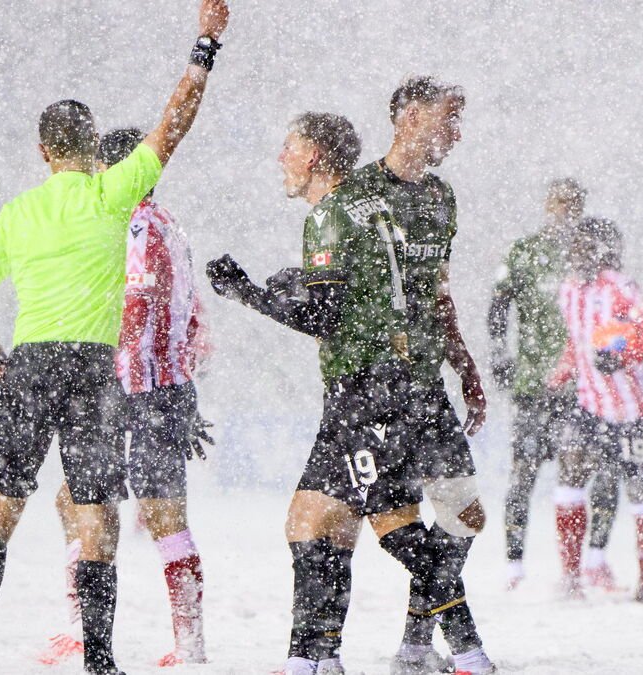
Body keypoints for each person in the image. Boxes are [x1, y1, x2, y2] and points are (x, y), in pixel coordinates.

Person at [0, 2, 230, 673]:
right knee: (96, 514)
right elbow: (176, 119)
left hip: (34, 362)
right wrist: (205, 45)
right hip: (96, 368)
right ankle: (100, 660)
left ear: (43, 152)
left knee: (1, 507)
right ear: (94, 145)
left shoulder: (19, 211)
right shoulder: (113, 195)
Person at [206, 110, 488, 675]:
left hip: (366, 390)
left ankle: (465, 649)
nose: (280, 157)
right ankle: (320, 659)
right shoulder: (378, 205)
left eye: (288, 146)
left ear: (312, 156)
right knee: (315, 520)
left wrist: (249, 294)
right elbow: (393, 291)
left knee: (390, 523)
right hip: (405, 383)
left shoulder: (333, 212)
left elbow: (328, 315)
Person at [41, 128, 212, 669]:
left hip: (123, 387)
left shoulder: (128, 224)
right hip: (167, 387)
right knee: (163, 516)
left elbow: (136, 305)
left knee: (82, 505)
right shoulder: (170, 225)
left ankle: (80, 630)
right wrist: (187, 381)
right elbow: (190, 315)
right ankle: (190, 644)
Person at [343, 77, 493, 675]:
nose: (456, 133)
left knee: (465, 514)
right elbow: (336, 302)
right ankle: (464, 644)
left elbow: (439, 293)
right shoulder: (358, 195)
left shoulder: (441, 198)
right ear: (407, 116)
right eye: (448, 118)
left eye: (460, 120)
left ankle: (413, 644)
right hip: (375, 387)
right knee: (395, 523)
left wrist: (466, 366)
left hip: (427, 383)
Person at [488, 179, 621, 591]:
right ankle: (514, 566)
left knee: (601, 471)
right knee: (524, 473)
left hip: (586, 388)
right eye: (559, 204)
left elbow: (616, 308)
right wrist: (499, 354)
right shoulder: (525, 251)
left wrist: (613, 354)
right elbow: (499, 304)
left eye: (573, 205)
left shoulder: (589, 254)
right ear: (547, 206)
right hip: (534, 383)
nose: (565, 212)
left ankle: (592, 560)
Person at [549, 217, 643, 603]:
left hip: (638, 414)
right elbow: (577, 342)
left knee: (640, 494)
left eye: (586, 246)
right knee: (568, 481)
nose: (577, 254)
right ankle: (571, 578)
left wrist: (622, 355)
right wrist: (560, 376)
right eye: (574, 246)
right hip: (589, 407)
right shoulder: (568, 291)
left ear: (603, 250)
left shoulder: (620, 289)